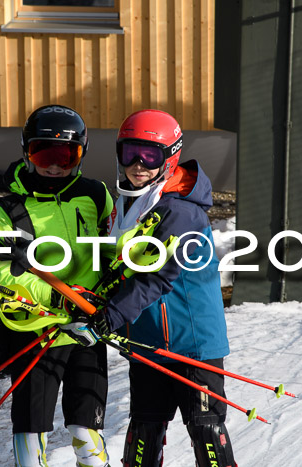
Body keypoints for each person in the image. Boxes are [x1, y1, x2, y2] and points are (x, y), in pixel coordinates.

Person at [96, 109, 236, 466]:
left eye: (150, 155)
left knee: (205, 428)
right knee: (145, 429)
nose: (138, 164)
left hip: (192, 344)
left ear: (170, 157)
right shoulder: (126, 204)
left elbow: (158, 275)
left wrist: (111, 314)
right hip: (146, 339)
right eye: (130, 153)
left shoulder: (181, 212)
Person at [0, 104, 113, 466]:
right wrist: (57, 296)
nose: (54, 165)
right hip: (36, 328)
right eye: (43, 153)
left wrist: (110, 302)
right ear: (27, 151)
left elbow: (109, 251)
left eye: (66, 155)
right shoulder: (5, 210)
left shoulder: (96, 195)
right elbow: (1, 275)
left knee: (87, 429)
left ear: (81, 154)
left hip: (87, 328)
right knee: (32, 427)